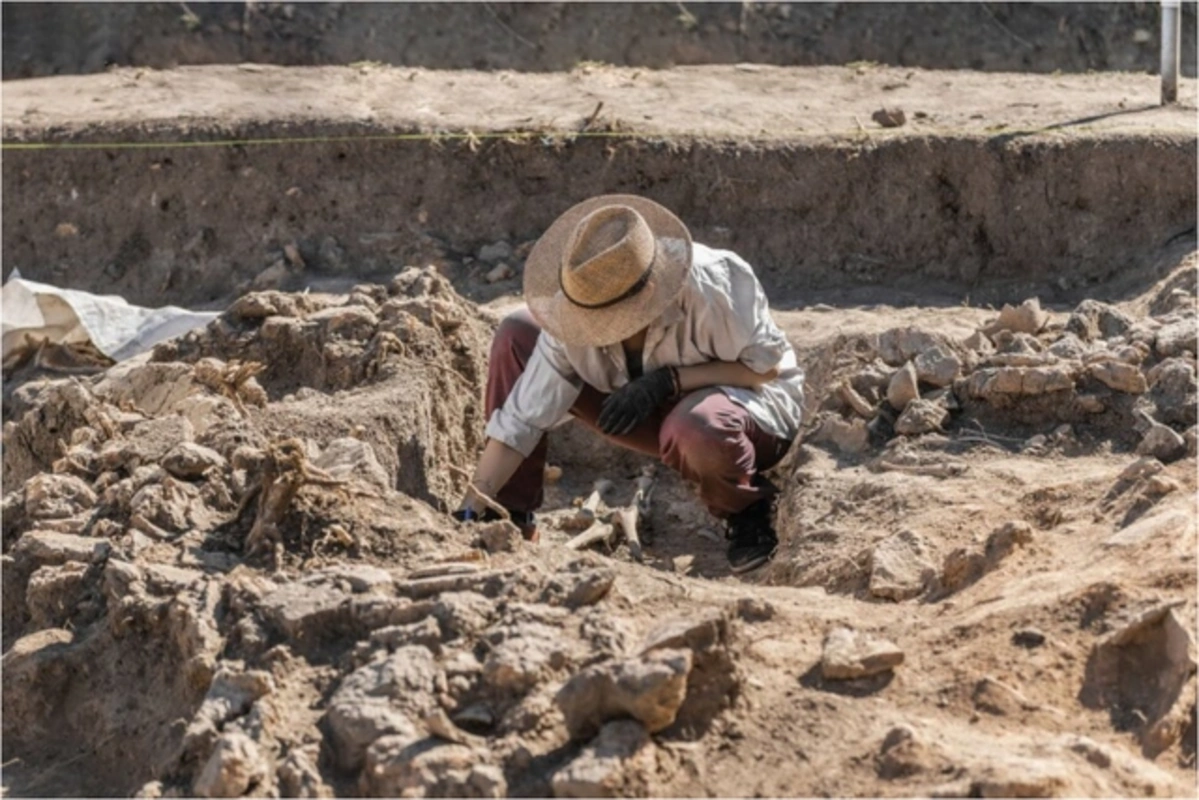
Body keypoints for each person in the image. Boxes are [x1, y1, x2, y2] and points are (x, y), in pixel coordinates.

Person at [454, 195, 804, 573]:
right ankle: (506, 516)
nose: (596, 331)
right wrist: (473, 503)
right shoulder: (577, 306)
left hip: (746, 411)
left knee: (697, 426)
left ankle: (746, 509)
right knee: (518, 332)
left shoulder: (715, 283)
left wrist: (669, 381)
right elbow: (521, 417)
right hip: (651, 414)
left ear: (649, 291)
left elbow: (764, 369)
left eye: (611, 318)